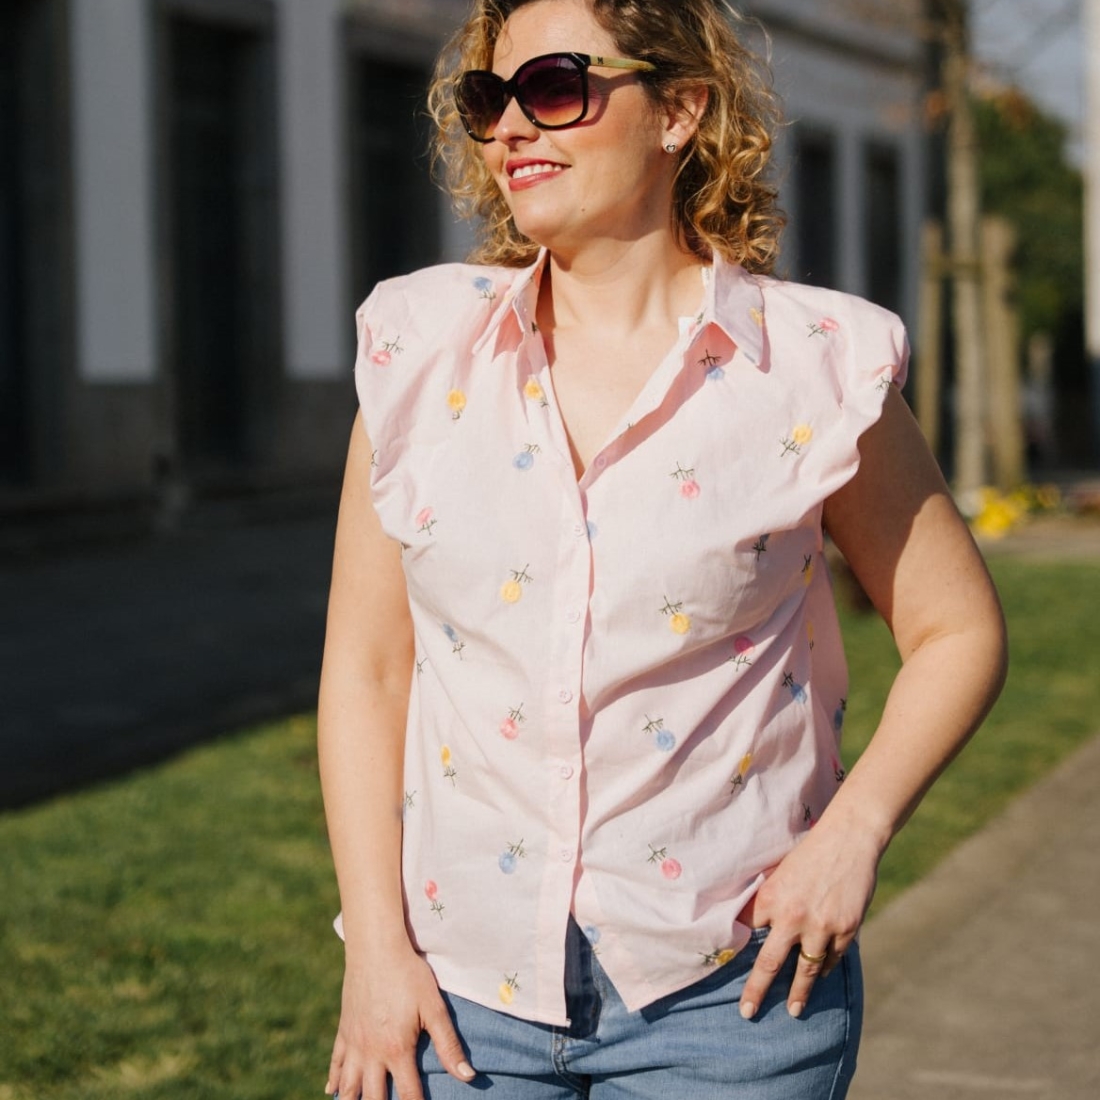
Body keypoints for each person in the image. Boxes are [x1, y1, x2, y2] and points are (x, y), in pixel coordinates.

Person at [317, 1, 1007, 1097]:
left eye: (553, 88)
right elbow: (365, 669)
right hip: (455, 1002)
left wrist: (854, 833)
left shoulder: (815, 366)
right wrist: (374, 950)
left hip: (730, 1000)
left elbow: (955, 627)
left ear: (680, 109)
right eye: (489, 100)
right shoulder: (414, 349)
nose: (509, 131)